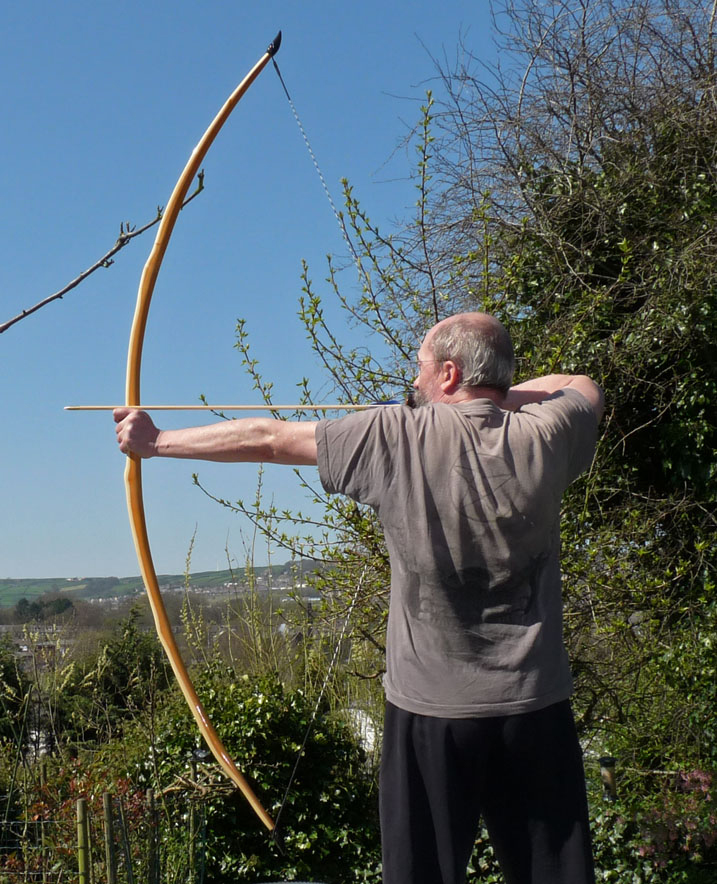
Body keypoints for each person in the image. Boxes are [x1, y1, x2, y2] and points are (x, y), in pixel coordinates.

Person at [114, 311, 604, 884]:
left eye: (421, 370)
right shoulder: (547, 434)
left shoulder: (393, 434)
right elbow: (584, 387)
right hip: (536, 709)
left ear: (448, 374)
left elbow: (270, 439)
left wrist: (156, 441)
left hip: (430, 714)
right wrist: (494, 393)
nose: (412, 383)